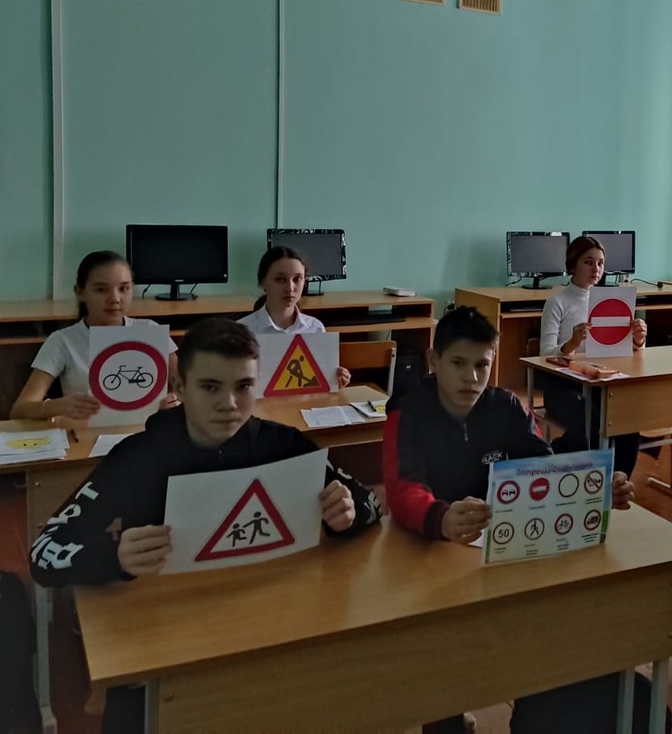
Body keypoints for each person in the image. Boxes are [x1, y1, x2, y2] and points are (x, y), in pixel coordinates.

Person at [30, 317, 380, 733]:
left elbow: (370, 503)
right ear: (179, 388)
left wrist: (347, 516)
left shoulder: (284, 445)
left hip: (265, 632)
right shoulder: (137, 457)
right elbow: (43, 553)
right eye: (210, 387)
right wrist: (113, 555)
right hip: (161, 643)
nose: (229, 403)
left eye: (243, 386)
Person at [383, 306, 633, 734]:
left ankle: (535, 700)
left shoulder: (506, 407)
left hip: (499, 548)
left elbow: (544, 469)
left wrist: (594, 489)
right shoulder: (407, 413)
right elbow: (402, 488)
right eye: (458, 363)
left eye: (482, 365)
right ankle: (444, 717)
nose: (471, 377)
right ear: (433, 361)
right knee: (440, 647)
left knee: (543, 622)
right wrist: (440, 518)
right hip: (427, 550)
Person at [10, 250, 179, 424]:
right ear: (80, 292)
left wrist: (174, 401)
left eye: (124, 288)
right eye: (101, 290)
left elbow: (186, 389)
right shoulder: (62, 341)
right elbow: (19, 410)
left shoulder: (150, 330)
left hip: (146, 431)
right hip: (88, 434)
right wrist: (57, 406)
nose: (115, 299)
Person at [538, 236, 646, 476]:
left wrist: (638, 339)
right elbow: (545, 353)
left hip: (599, 382)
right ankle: (566, 460)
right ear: (572, 265)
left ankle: (617, 484)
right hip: (563, 385)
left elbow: (622, 348)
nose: (596, 269)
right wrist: (571, 344)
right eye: (588, 262)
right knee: (592, 424)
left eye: (600, 263)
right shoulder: (557, 302)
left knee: (627, 423)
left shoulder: (612, 300)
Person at [238, 246, 351, 388]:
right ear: (263, 282)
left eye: (298, 279)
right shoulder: (241, 332)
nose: (290, 288)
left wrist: (334, 378)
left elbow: (317, 381)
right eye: (280, 279)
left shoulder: (315, 328)